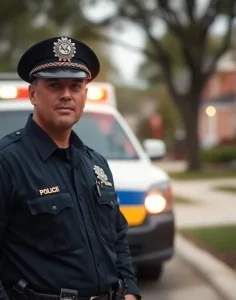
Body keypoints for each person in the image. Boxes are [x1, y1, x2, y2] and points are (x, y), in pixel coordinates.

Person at [0, 36, 141, 300]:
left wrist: (130, 290)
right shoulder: (7, 162)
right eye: (54, 85)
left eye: (75, 86)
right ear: (33, 94)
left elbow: (118, 236)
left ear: (84, 96)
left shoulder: (96, 163)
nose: (66, 95)